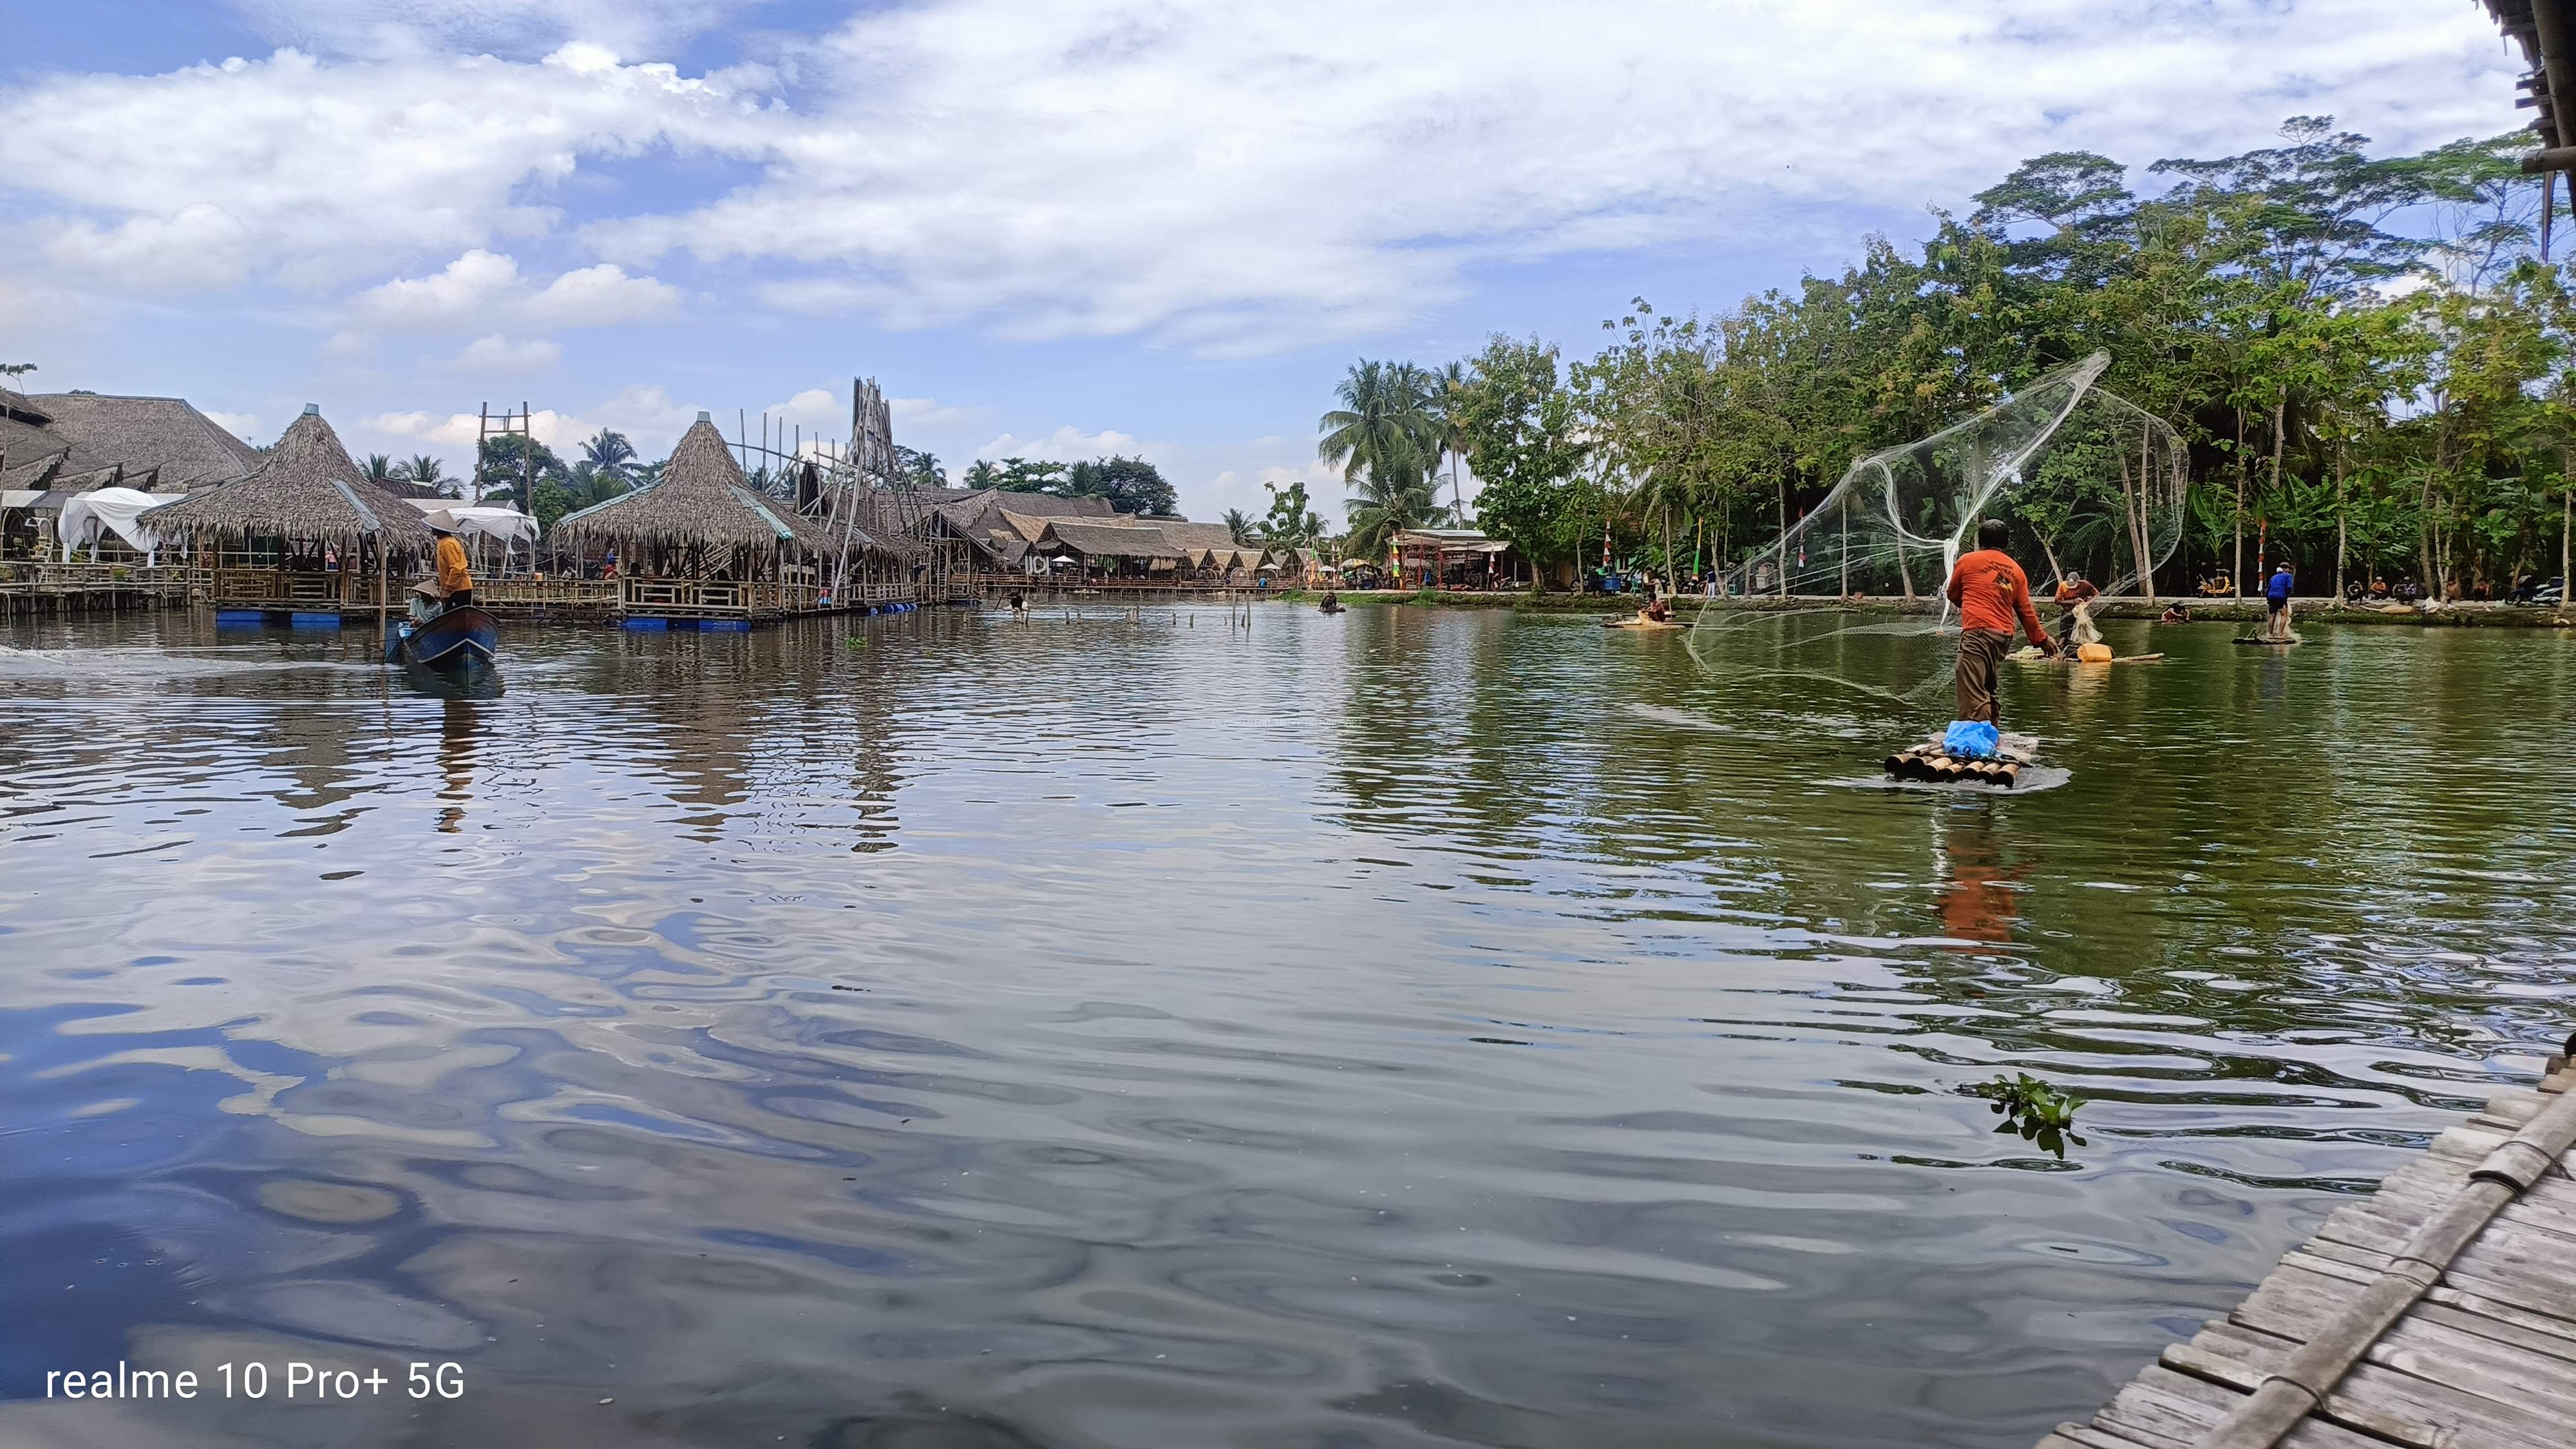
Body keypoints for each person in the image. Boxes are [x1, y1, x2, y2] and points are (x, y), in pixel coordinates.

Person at [1946, 518, 2052, 726]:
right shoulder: (2016, 570)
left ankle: (1975, 741)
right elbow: (2025, 609)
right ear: (2006, 543)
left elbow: (1953, 594)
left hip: (1978, 633)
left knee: (1971, 685)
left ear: (1980, 541)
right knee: (1987, 685)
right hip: (2003, 637)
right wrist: (2040, 639)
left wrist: (1968, 602)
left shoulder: (1967, 561)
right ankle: (1993, 730)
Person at [430, 515, 474, 610]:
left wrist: (448, 588)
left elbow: (457, 569)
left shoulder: (448, 543)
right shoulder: (444, 542)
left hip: (458, 588)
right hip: (455, 588)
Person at [2051, 571, 2099, 649]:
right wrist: (2073, 601)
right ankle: (2060, 648)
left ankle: (2083, 649)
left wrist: (2087, 603)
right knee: (2063, 636)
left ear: (2078, 582)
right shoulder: (2063, 586)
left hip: (2081, 613)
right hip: (2067, 611)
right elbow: (2057, 601)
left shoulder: (2085, 584)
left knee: (2083, 634)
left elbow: (2097, 594)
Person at [2264, 560, 2293, 638]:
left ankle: (2270, 634)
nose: (2287, 570)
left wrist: (2268, 599)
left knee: (2272, 615)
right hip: (2281, 597)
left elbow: (2268, 590)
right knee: (2284, 614)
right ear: (2284, 569)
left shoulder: (2273, 577)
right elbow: (2289, 588)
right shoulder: (2288, 576)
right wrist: (2286, 595)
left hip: (2271, 597)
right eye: (2286, 568)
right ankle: (2280, 634)